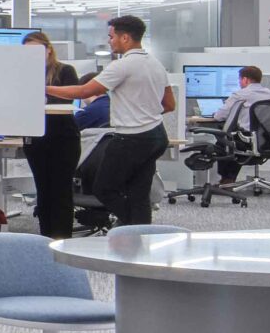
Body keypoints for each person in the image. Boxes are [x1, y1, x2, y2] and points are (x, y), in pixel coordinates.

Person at [49, 15, 173, 226]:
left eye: (111, 36)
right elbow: (169, 104)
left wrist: (42, 88)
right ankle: (139, 235)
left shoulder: (122, 66)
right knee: (139, 193)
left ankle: (129, 224)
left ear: (125, 38)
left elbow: (84, 91)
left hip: (131, 138)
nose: (109, 41)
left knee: (104, 188)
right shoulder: (155, 64)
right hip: (157, 135)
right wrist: (144, 112)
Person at [21, 30, 81, 239]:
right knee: (43, 190)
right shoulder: (22, 74)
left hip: (63, 136)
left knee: (61, 190)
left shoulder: (65, 71)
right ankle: (45, 238)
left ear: (48, 50)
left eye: (37, 50)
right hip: (35, 137)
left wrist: (42, 92)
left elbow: (67, 100)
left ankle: (62, 239)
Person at [209, 64, 270, 186]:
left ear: (245, 79)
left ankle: (227, 180)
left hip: (246, 141)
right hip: (268, 140)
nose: (240, 82)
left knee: (224, 141)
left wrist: (215, 113)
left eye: (240, 79)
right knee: (232, 138)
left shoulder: (240, 94)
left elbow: (219, 116)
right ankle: (229, 180)